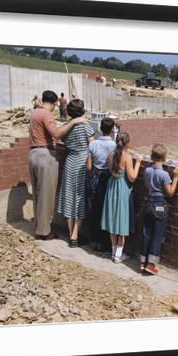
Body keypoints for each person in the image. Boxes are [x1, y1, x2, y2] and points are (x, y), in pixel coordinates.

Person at [28, 90, 87, 240]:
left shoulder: (34, 113)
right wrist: (73, 122)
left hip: (33, 154)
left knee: (37, 193)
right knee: (46, 195)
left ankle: (39, 226)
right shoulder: (46, 114)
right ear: (55, 103)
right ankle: (44, 231)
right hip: (45, 155)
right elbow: (55, 133)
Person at [57, 99, 95, 247]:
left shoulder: (66, 127)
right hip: (82, 162)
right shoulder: (85, 126)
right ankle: (75, 235)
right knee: (79, 198)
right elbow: (92, 146)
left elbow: (61, 138)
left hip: (70, 161)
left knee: (68, 196)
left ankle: (69, 232)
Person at [140, 144, 178, 275]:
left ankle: (143, 261)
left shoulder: (147, 171)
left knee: (146, 233)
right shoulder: (164, 175)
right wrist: (176, 177)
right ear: (164, 157)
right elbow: (170, 193)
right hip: (159, 204)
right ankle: (151, 264)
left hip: (149, 203)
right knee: (157, 235)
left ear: (152, 156)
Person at [101, 132, 141, 263]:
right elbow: (132, 177)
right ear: (127, 143)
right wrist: (139, 162)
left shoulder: (111, 155)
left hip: (112, 187)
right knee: (122, 220)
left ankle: (113, 252)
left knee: (113, 220)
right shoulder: (127, 157)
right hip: (122, 189)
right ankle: (119, 255)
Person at [86, 118, 116, 251]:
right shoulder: (114, 146)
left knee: (94, 209)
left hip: (94, 177)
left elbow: (88, 166)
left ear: (100, 129)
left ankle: (94, 240)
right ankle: (104, 243)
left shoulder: (93, 144)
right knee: (105, 210)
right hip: (107, 178)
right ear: (112, 130)